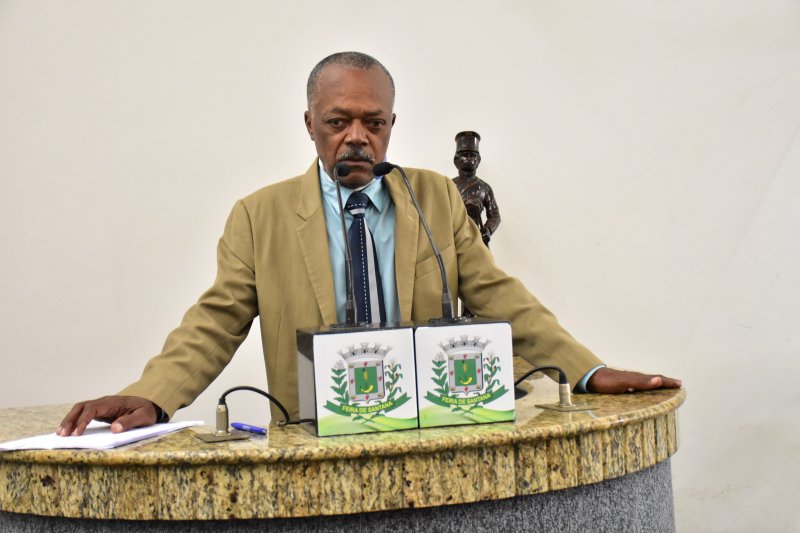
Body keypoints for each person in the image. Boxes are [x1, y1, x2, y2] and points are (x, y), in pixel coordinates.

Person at [58, 52, 680, 437]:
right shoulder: (259, 215)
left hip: (427, 434)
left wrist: (588, 371)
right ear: (310, 123)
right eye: (338, 122)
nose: (356, 137)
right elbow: (215, 322)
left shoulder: (434, 198)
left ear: (391, 125)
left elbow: (498, 296)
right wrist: (154, 396)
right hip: (313, 443)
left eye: (373, 123)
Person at [452, 131, 500, 246]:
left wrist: (487, 230)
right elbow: (441, 213)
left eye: (472, 155)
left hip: (476, 239)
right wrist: (464, 205)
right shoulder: (449, 185)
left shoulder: (485, 188)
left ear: (478, 159)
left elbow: (495, 216)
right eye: (464, 154)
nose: (469, 158)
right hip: (453, 239)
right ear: (456, 159)